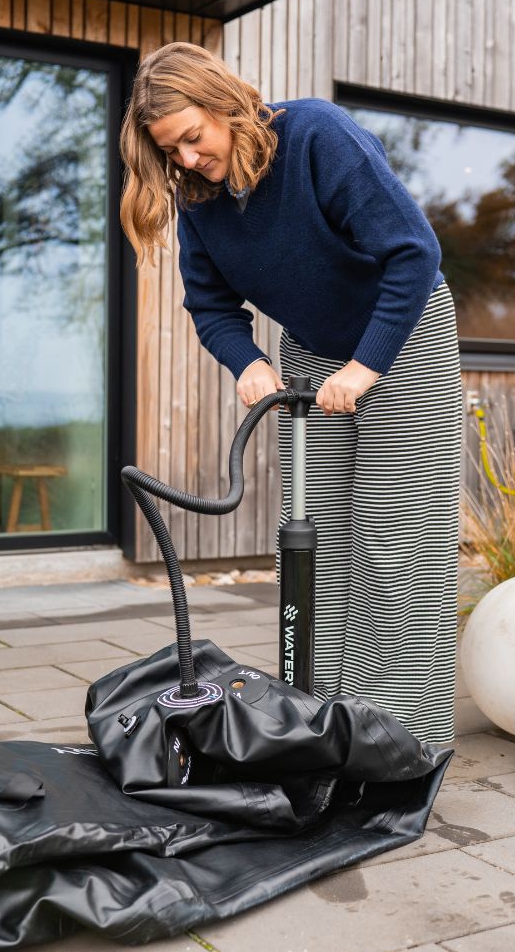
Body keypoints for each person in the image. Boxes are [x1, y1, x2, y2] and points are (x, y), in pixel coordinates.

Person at [119, 42, 461, 744]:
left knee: (394, 541)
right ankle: (323, 720)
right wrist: (245, 363)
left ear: (225, 106)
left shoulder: (314, 137)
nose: (185, 160)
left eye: (192, 137)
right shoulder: (201, 201)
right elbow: (212, 308)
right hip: (310, 348)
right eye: (169, 151)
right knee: (317, 542)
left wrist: (365, 368)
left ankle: (398, 738)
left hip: (404, 334)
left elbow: (412, 251)